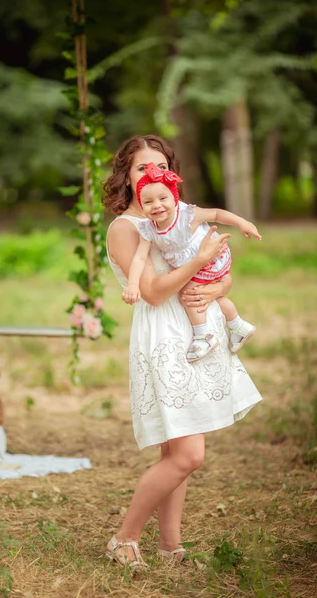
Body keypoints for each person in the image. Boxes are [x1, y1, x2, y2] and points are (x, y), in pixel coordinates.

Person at [103, 134, 262, 568]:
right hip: (166, 339)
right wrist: (200, 261)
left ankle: (170, 547)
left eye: (159, 166)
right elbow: (153, 293)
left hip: (198, 331)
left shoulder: (178, 218)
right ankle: (124, 537)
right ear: (127, 176)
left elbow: (221, 278)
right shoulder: (126, 228)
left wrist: (215, 284)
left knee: (176, 455)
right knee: (190, 455)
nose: (150, 174)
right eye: (140, 168)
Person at [121, 162, 261, 363]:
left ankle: (203, 337)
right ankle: (238, 325)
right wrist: (133, 284)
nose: (157, 205)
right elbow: (140, 257)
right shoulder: (148, 228)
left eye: (163, 198)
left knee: (189, 295)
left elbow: (216, 214)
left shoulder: (186, 215)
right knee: (207, 298)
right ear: (141, 205)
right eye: (148, 202)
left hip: (210, 258)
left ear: (174, 198)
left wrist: (242, 222)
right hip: (197, 263)